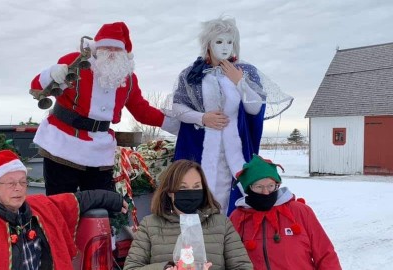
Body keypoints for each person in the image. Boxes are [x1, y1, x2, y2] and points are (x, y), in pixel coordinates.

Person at [29, 21, 176, 195]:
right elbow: (37, 88)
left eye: (117, 49)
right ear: (97, 48)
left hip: (98, 151)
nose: (112, 53)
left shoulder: (128, 79)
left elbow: (141, 110)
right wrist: (51, 74)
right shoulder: (74, 62)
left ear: (124, 53)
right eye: (107, 48)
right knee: (60, 206)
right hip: (62, 144)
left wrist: (179, 125)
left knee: (101, 206)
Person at [170, 17, 293, 215]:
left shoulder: (246, 71)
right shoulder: (192, 74)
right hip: (200, 145)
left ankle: (233, 236)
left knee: (235, 194)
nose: (225, 47)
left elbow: (255, 109)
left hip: (235, 148)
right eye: (219, 41)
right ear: (208, 44)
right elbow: (177, 106)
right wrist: (202, 118)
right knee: (200, 189)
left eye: (230, 41)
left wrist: (240, 82)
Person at [0, 150, 128, 270]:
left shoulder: (39, 208)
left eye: (23, 182)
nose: (19, 188)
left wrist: (113, 199)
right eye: (11, 183)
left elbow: (77, 200)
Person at [124, 159, 253, 270]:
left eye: (196, 187)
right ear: (169, 191)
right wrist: (165, 268)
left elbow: (243, 266)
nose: (191, 193)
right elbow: (132, 267)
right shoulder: (149, 225)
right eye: (183, 187)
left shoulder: (221, 224)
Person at [229, 155, 342, 270]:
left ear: (277, 185)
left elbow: (325, 254)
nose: (266, 192)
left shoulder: (300, 211)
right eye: (258, 187)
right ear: (249, 188)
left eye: (270, 186)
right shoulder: (237, 218)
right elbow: (228, 259)